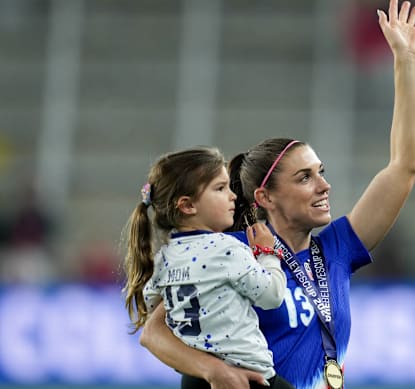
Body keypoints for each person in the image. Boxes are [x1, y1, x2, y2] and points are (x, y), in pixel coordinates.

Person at [139, 0, 415, 389]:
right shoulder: (229, 250)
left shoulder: (337, 251)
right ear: (265, 198)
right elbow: (155, 333)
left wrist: (405, 61)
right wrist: (213, 370)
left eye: (321, 173)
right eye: (305, 177)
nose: (324, 185)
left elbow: (405, 166)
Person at [122, 146, 295, 389]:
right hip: (246, 374)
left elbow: (151, 302)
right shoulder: (226, 249)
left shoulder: (164, 257)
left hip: (193, 378)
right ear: (188, 205)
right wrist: (267, 253)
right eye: (220, 188)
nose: (232, 195)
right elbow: (272, 296)